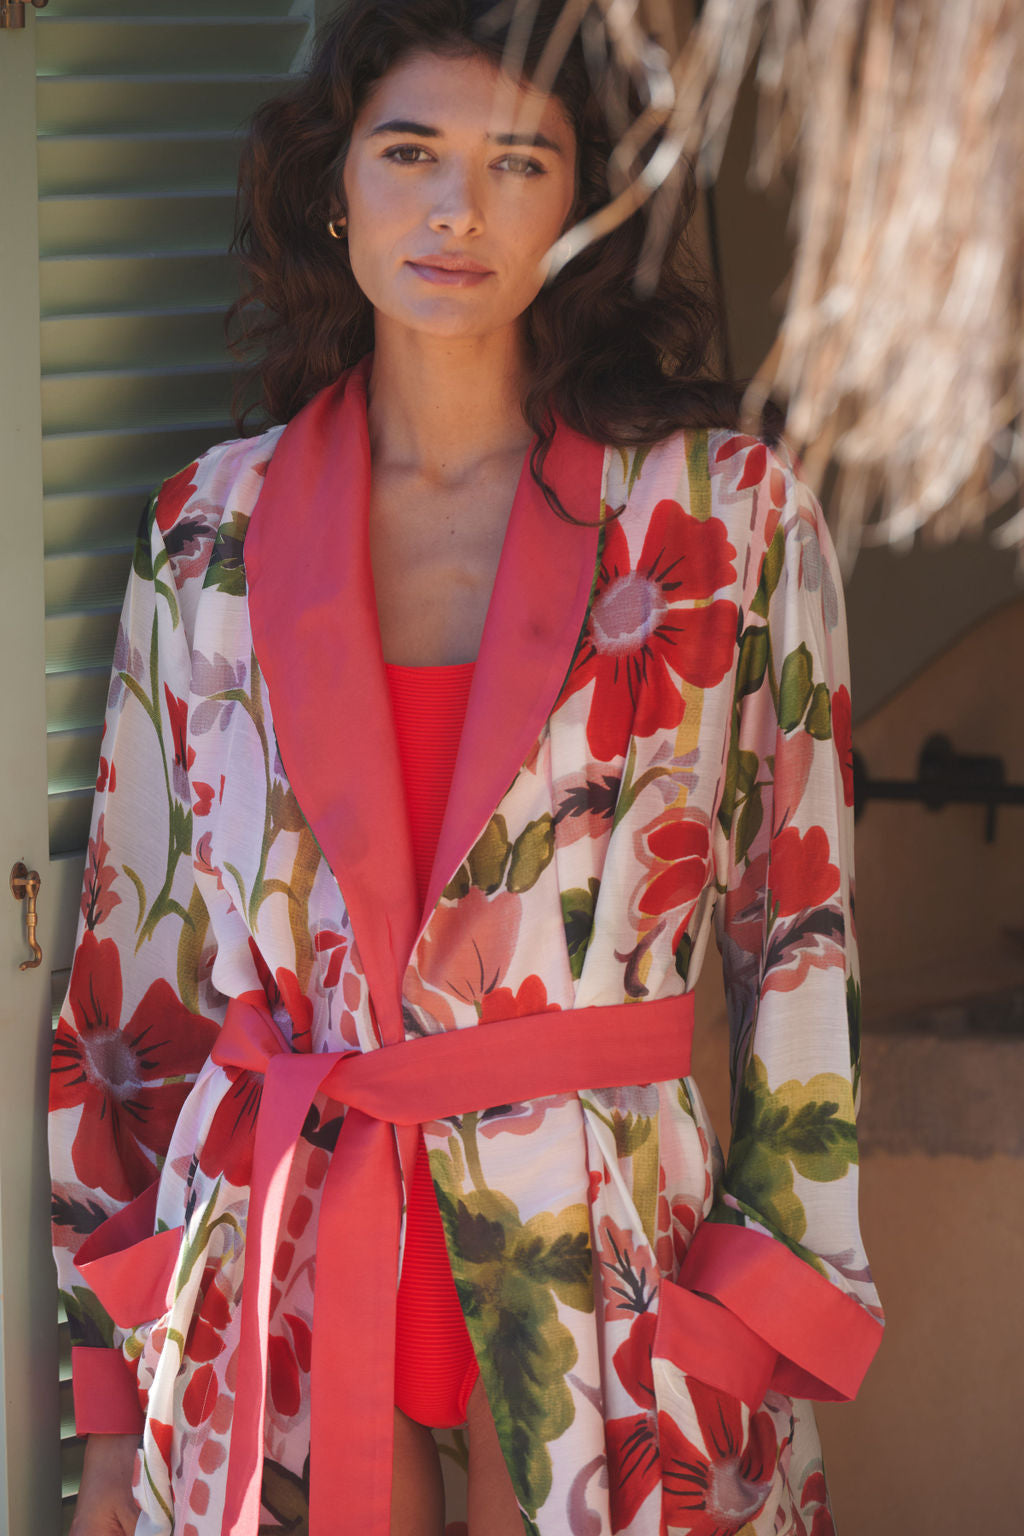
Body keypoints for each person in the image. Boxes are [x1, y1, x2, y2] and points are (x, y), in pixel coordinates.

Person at [50, 2, 883, 1533]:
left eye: (519, 163)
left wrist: (762, 1312)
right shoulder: (204, 536)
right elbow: (133, 983)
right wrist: (115, 1398)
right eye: (410, 152)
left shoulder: (725, 519)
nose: (456, 208)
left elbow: (797, 937)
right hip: (286, 1258)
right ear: (333, 187)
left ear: (584, 209)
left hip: (607, 1256)